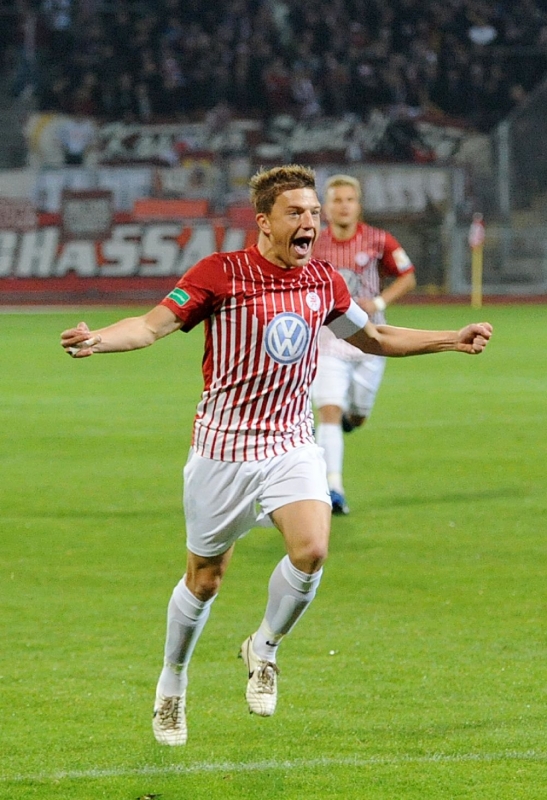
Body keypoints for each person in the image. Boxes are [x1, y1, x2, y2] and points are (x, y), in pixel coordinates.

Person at [60, 165, 492, 747]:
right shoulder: (220, 273)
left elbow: (373, 338)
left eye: (314, 212)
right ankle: (172, 682)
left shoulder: (323, 280)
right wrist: (99, 339)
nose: (310, 221)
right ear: (264, 221)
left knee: (312, 549)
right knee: (205, 580)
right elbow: (150, 326)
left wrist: (448, 339)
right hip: (222, 449)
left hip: (290, 441)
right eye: (296, 212)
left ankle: (263, 647)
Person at [312, 174, 417, 515]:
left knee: (357, 415)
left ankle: (347, 422)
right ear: (325, 207)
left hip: (370, 339)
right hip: (329, 337)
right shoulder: (312, 243)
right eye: (336, 200)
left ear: (358, 205)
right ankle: (333, 488)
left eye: (349, 200)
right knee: (329, 408)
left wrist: (379, 302)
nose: (343, 206)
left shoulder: (379, 240)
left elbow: (407, 276)